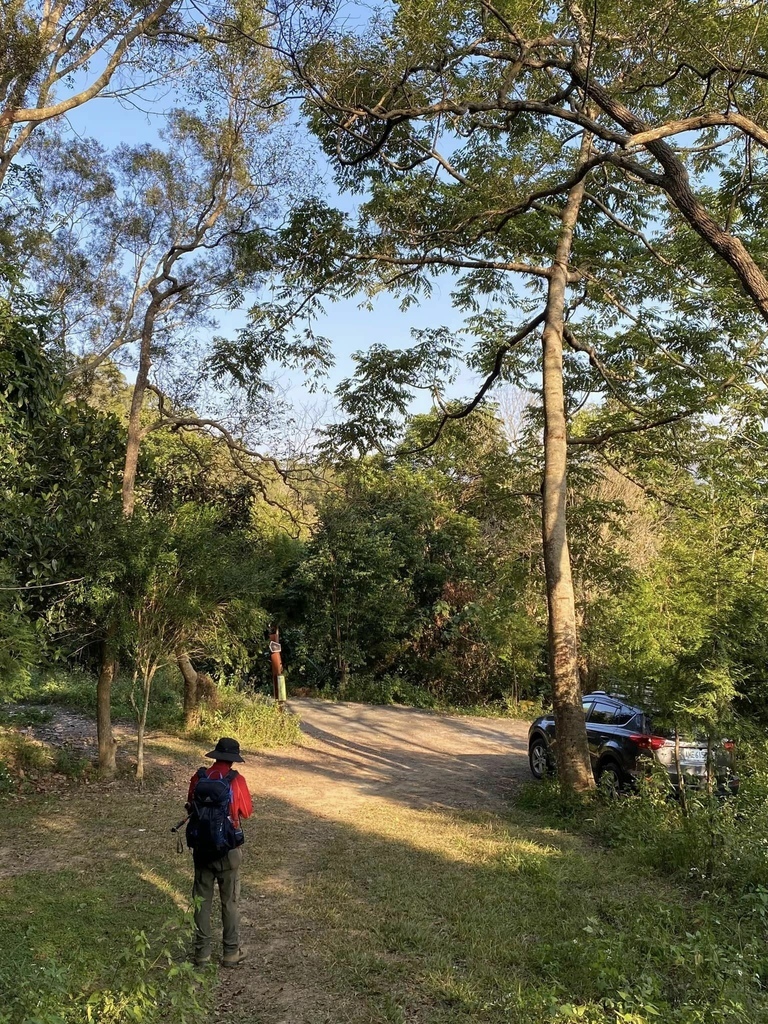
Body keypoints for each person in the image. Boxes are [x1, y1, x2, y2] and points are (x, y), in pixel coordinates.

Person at [186, 736, 253, 967]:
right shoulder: (236, 781)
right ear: (233, 760)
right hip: (227, 850)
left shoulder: (199, 777)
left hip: (202, 849)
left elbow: (190, 804)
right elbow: (246, 811)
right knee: (230, 901)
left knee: (201, 901)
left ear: (215, 756)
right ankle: (231, 952)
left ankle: (202, 953)